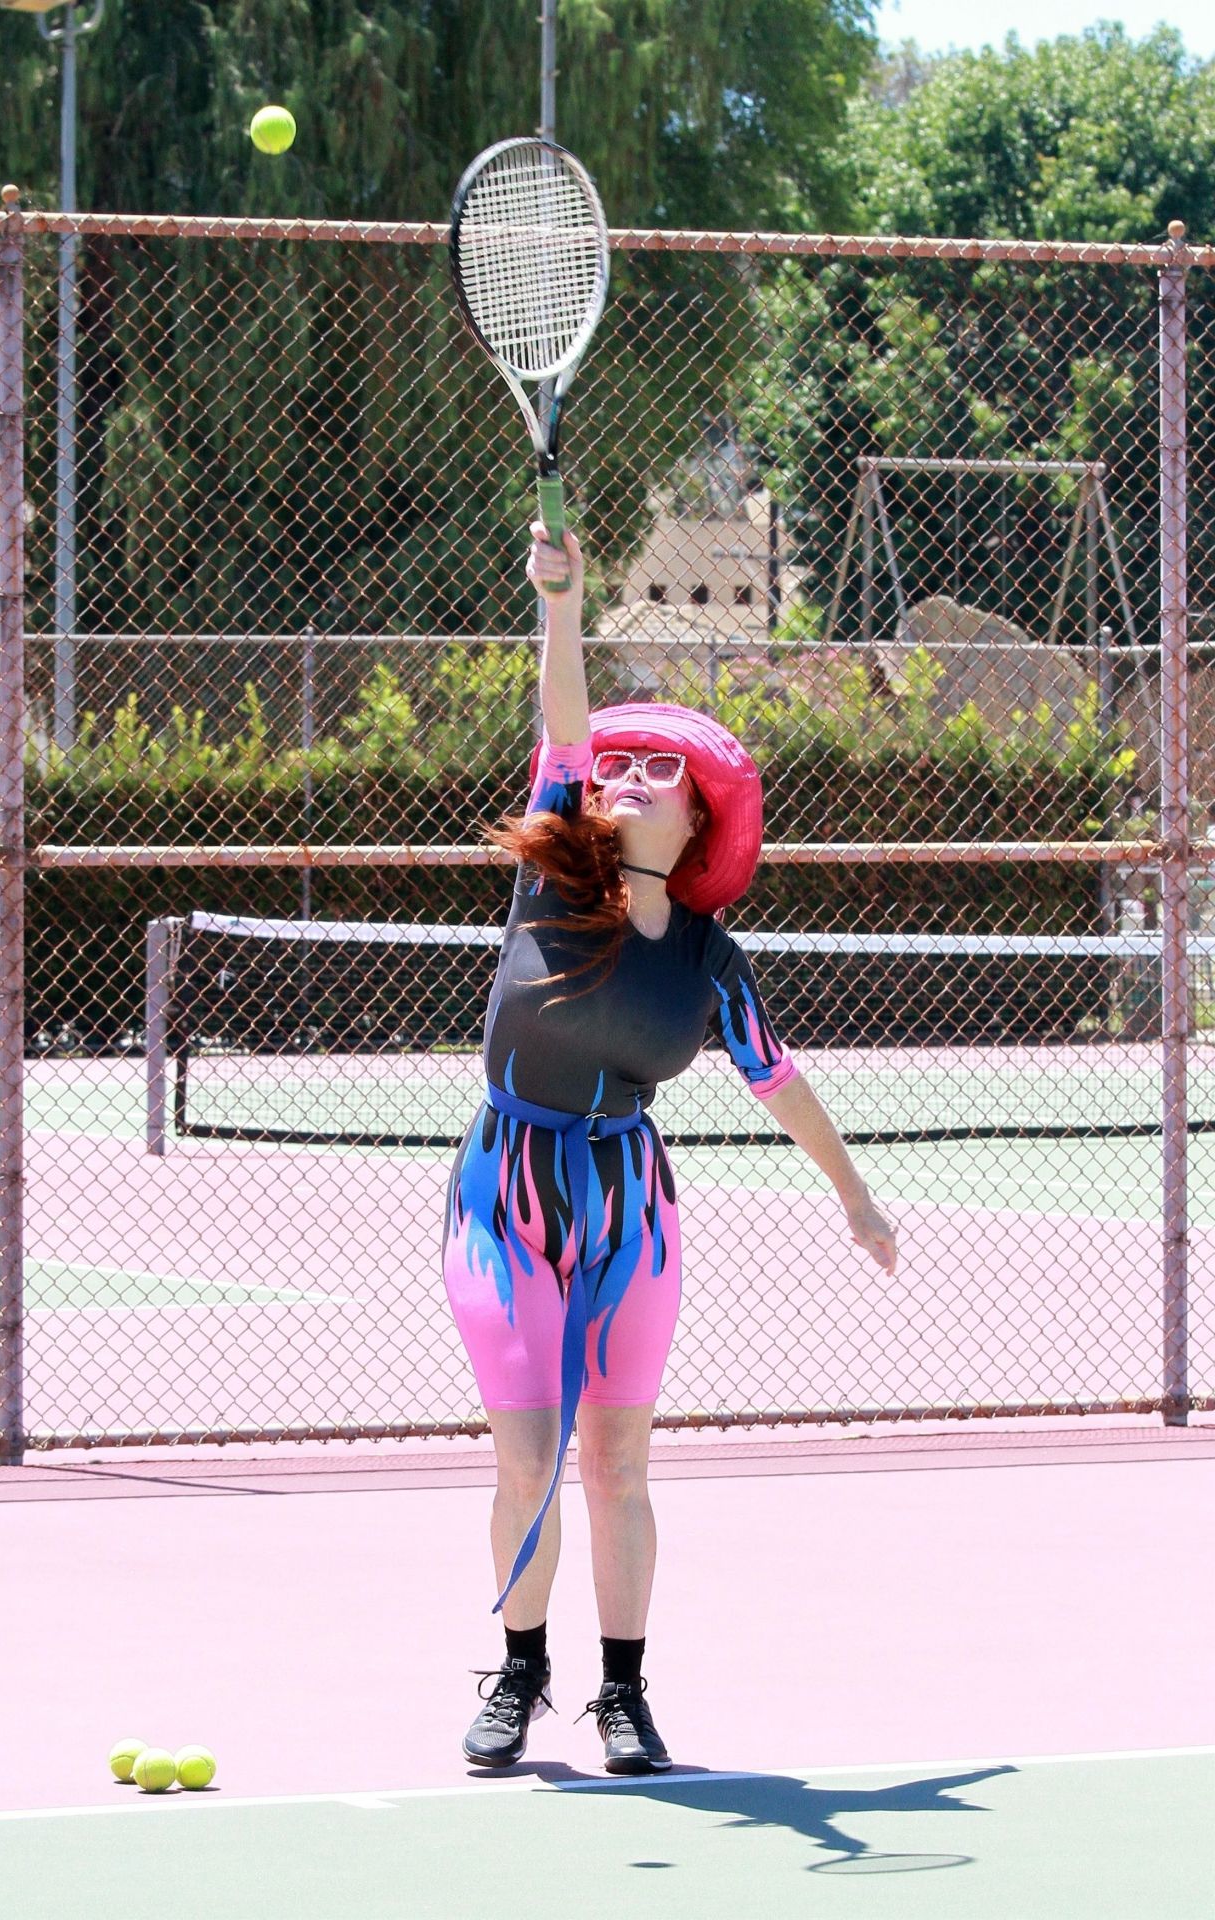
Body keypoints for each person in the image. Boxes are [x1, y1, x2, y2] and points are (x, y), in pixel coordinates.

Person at [442, 523, 897, 1776]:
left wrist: (853, 1198)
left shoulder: (705, 961)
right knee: (529, 1454)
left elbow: (779, 1082)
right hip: (504, 1192)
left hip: (628, 1205)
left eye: (659, 769)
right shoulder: (552, 875)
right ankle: (517, 1669)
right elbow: (562, 725)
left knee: (618, 1461)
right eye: (618, 763)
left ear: (699, 813)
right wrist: (562, 600)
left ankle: (623, 1694)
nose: (627, 775)